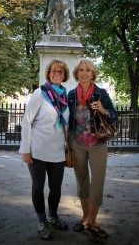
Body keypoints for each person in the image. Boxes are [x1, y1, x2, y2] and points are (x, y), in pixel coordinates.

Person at [19, 59, 70, 240]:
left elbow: (67, 124)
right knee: (38, 186)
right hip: (37, 150)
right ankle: (42, 221)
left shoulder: (65, 96)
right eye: (54, 71)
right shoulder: (40, 93)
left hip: (57, 151)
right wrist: (25, 149)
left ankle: (53, 216)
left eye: (61, 72)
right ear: (48, 73)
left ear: (65, 76)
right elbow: (26, 121)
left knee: (55, 189)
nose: (57, 74)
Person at [68, 58, 117, 239]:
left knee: (97, 184)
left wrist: (103, 110)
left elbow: (114, 115)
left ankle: (94, 221)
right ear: (76, 74)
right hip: (77, 144)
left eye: (87, 70)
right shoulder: (72, 94)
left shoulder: (101, 93)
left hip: (98, 145)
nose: (84, 73)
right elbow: (66, 119)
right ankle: (85, 218)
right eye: (81, 70)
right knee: (82, 183)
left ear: (93, 73)